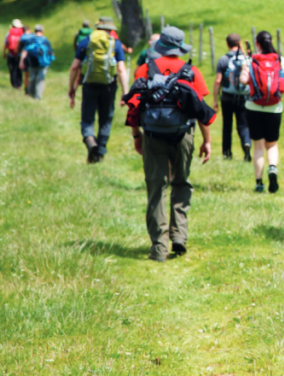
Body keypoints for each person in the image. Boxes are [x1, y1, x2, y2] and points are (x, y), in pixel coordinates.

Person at [123, 26, 215, 262]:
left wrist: (136, 135)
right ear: (180, 48)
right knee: (181, 183)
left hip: (153, 135)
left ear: (160, 45)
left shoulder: (145, 69)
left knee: (156, 189)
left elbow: (134, 105)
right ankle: (179, 237)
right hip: (182, 135)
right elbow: (199, 108)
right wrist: (207, 141)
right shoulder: (191, 71)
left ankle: (159, 248)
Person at [68, 17, 130, 163]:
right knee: (106, 118)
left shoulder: (86, 42)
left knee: (87, 118)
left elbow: (74, 67)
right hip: (109, 86)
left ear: (97, 27)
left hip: (90, 85)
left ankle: (90, 141)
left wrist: (72, 88)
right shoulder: (115, 44)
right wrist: (125, 92)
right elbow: (121, 69)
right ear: (111, 29)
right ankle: (100, 151)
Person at [239, 30, 284, 193]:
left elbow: (243, 80)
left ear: (257, 43)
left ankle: (258, 183)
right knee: (272, 144)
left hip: (253, 107)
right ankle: (272, 168)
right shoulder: (280, 59)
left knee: (258, 146)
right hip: (274, 108)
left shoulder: (251, 60)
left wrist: (245, 68)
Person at [213, 33, 252, 160]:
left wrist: (215, 100)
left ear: (227, 44)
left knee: (227, 125)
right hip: (244, 97)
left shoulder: (223, 59)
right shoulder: (246, 58)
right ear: (239, 43)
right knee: (243, 124)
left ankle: (227, 153)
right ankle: (246, 143)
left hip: (227, 97)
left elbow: (218, 80)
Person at [20, 24, 55, 100]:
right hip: (43, 64)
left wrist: (22, 62)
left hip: (32, 63)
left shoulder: (30, 40)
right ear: (42, 31)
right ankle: (38, 97)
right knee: (40, 80)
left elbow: (24, 51)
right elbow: (51, 52)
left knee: (32, 79)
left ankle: (31, 95)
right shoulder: (45, 40)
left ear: (34, 31)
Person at [5, 19, 24, 90]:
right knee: (19, 69)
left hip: (11, 53)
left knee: (12, 69)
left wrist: (4, 52)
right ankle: (19, 84)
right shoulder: (22, 33)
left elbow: (6, 43)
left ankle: (13, 84)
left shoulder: (9, 32)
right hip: (19, 54)